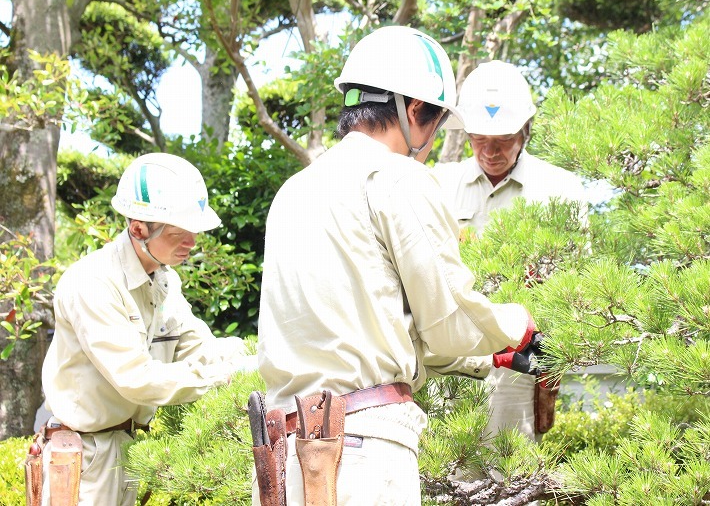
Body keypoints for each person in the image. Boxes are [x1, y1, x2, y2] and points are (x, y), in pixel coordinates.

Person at [255, 26, 541, 506]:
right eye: (432, 125)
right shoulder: (397, 177)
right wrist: (517, 325)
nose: (428, 142)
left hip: (283, 452)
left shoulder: (294, 191)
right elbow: (450, 320)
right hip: (362, 449)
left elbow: (361, 326)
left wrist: (487, 357)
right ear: (413, 111)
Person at [37, 153, 256, 506]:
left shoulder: (164, 281)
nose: (192, 242)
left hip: (129, 448)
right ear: (138, 227)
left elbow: (197, 345)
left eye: (194, 231)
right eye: (178, 232)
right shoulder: (93, 283)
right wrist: (223, 375)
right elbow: (136, 379)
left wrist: (253, 355)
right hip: (86, 455)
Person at [433, 60, 587, 442]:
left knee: (508, 476)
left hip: (518, 362)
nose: (490, 151)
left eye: (502, 139)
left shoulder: (560, 189)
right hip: (448, 360)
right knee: (444, 475)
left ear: (525, 131)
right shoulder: (438, 183)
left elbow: (576, 284)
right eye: (479, 139)